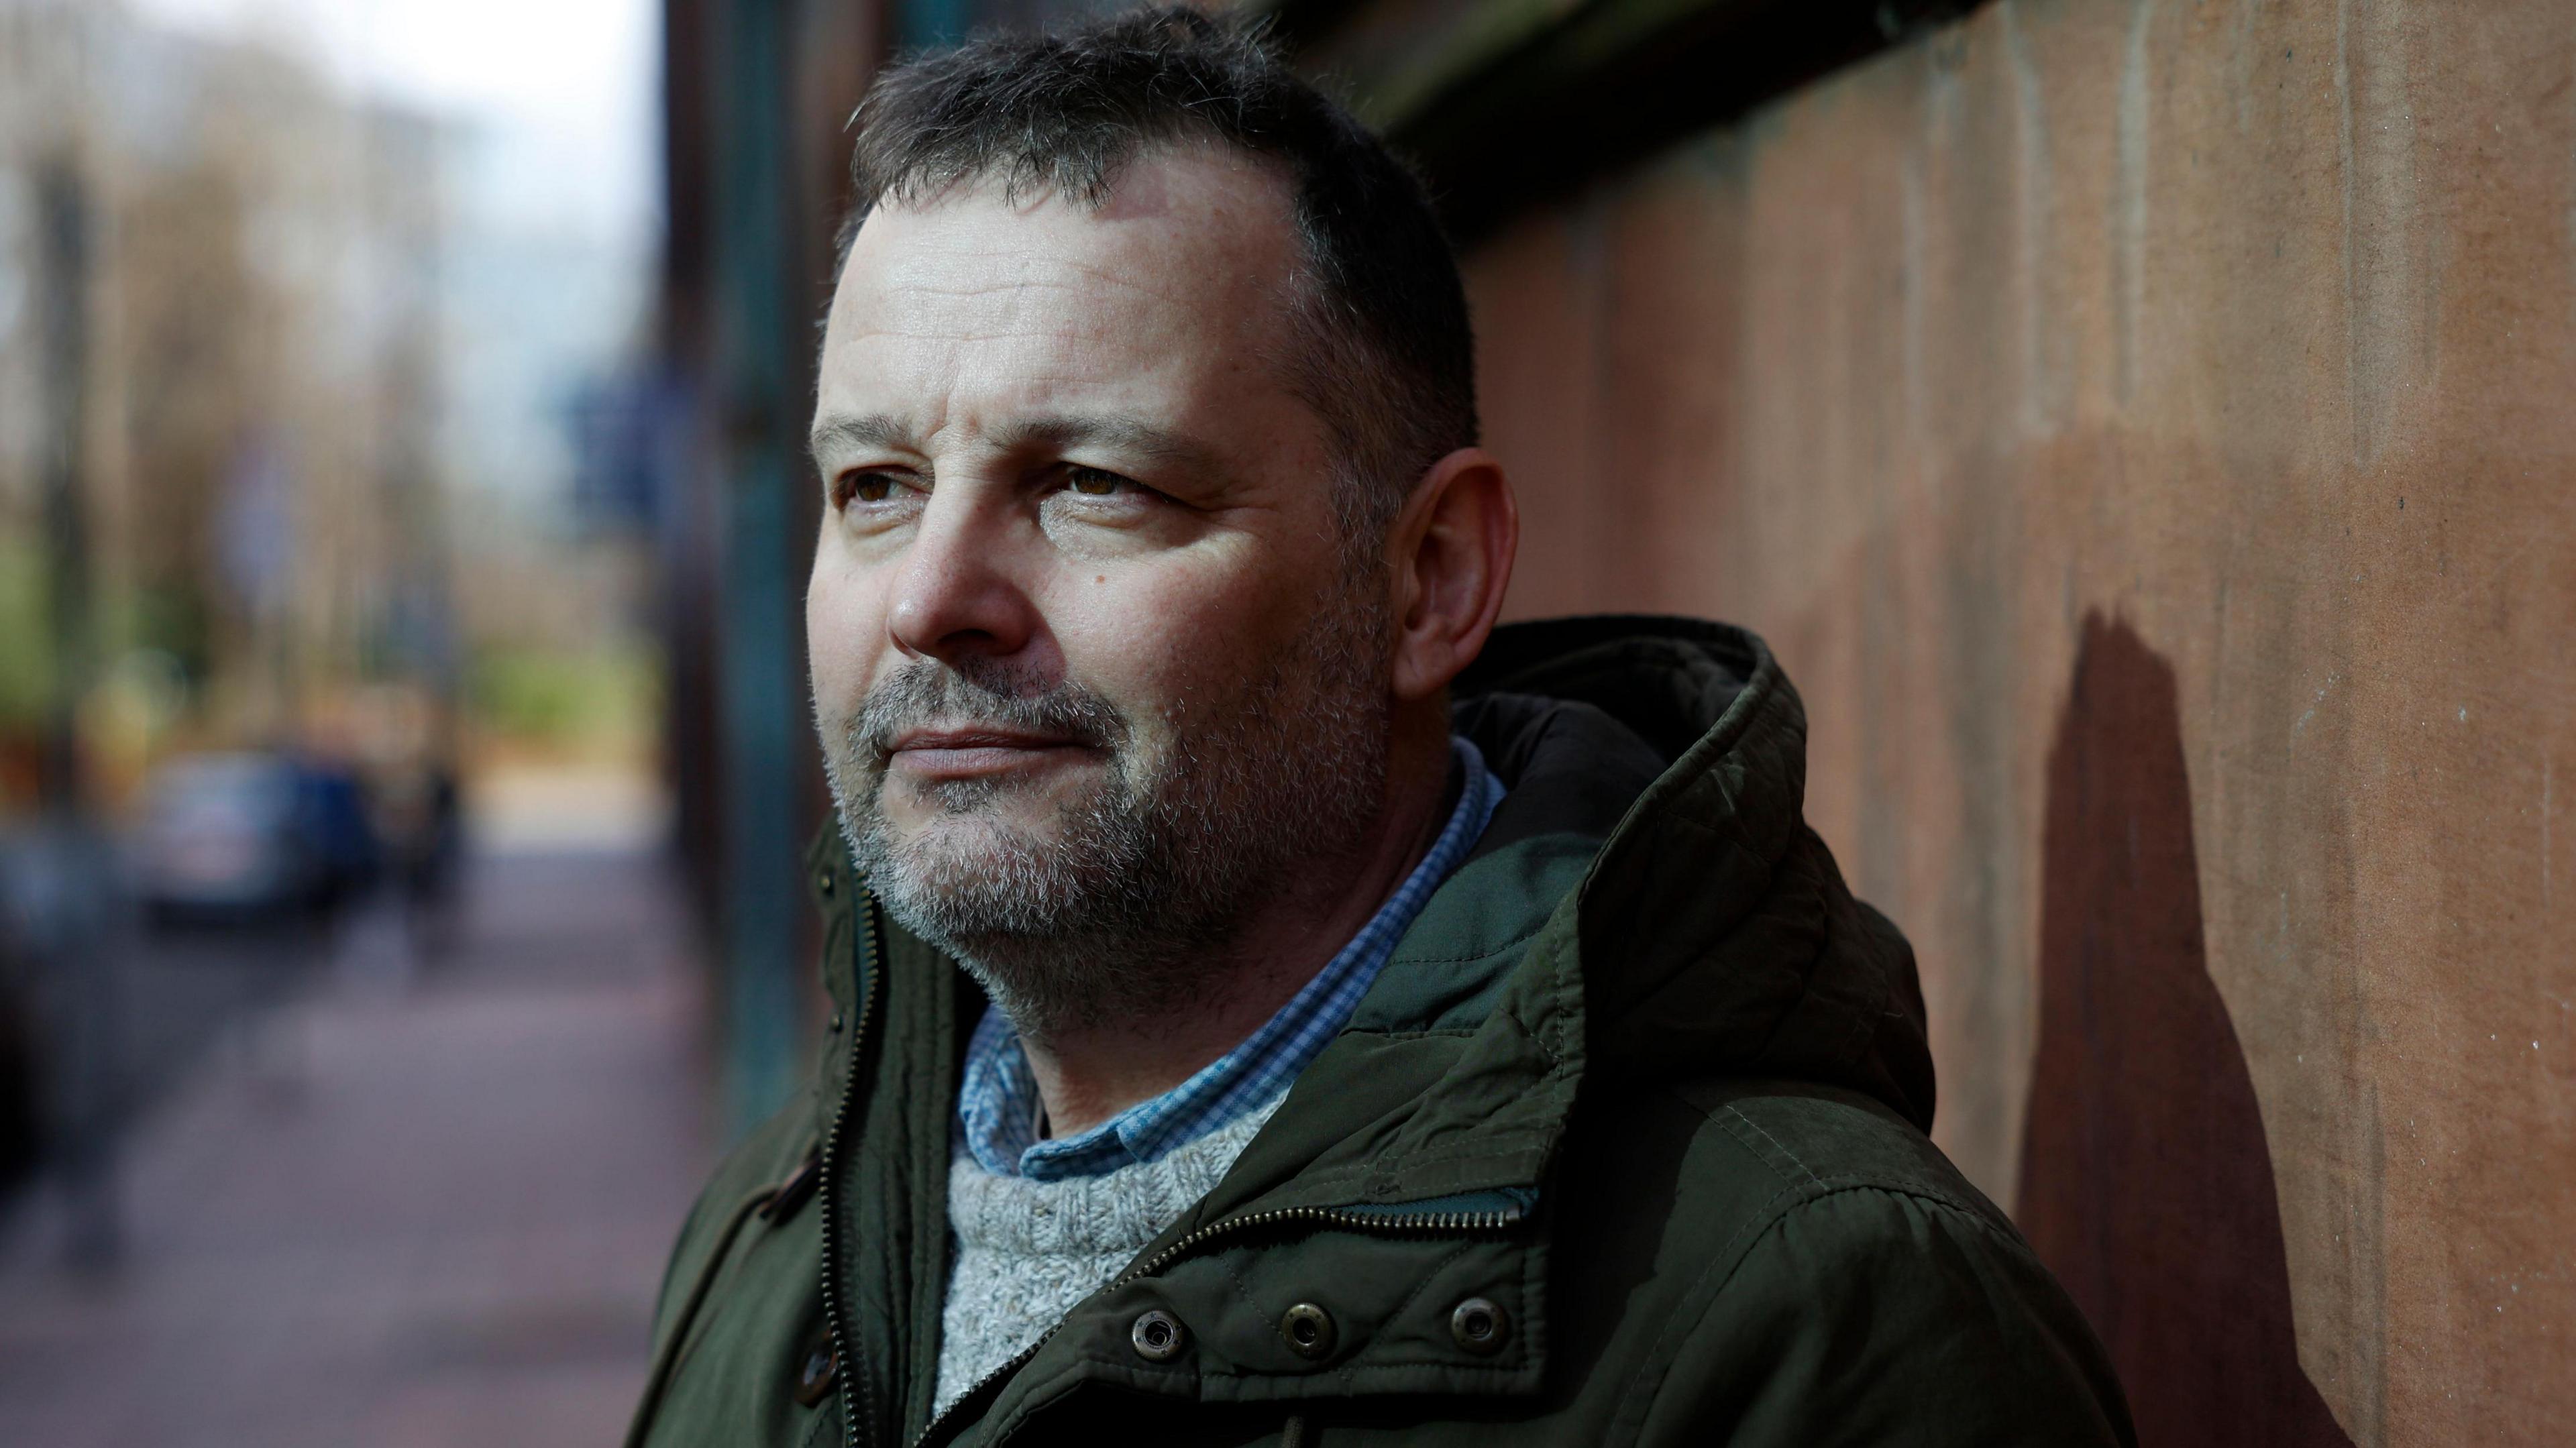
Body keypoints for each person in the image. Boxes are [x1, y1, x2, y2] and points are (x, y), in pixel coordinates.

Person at [626, 10, 2133, 1446]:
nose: (931, 599)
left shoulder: (1814, 1330)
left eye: (1093, 483)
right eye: (874, 488)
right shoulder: (785, 1219)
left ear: (1430, 579)